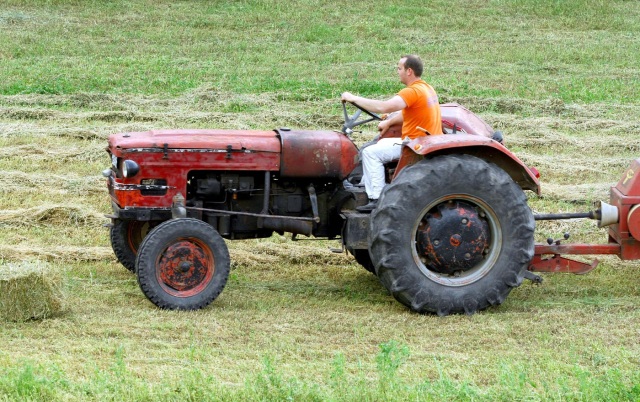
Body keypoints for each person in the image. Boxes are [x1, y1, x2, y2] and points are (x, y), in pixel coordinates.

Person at [341, 54, 443, 212]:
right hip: (422, 141)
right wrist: (389, 122)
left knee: (370, 153)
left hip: (414, 144)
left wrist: (353, 98)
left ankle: (376, 199)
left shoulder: (412, 91)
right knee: (377, 144)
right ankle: (363, 183)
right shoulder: (426, 88)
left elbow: (383, 107)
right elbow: (410, 113)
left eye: (399, 68)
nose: (397, 71)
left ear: (409, 71)